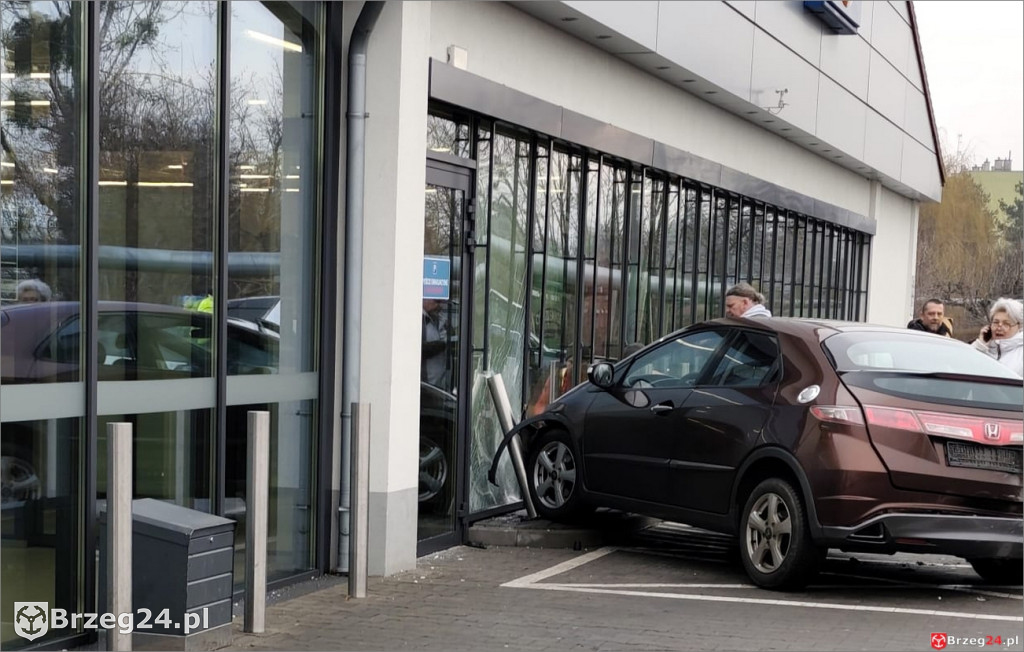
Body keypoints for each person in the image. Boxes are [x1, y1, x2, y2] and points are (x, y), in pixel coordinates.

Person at [970, 298, 1023, 377]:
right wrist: (980, 345)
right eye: (996, 322)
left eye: (1006, 324)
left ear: (1019, 326)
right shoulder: (984, 347)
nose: (999, 327)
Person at [421, 298, 450, 389]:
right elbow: (419, 349)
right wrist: (442, 345)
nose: (439, 306)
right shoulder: (418, 320)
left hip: (440, 382)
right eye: (436, 301)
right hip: (426, 384)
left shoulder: (435, 318)